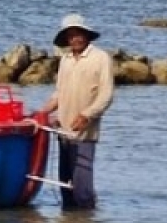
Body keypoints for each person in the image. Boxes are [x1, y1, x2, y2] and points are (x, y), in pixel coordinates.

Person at [41, 14, 115, 210]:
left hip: (85, 132)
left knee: (82, 188)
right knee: (65, 186)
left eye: (78, 34)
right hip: (63, 131)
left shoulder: (100, 58)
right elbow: (59, 93)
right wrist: (42, 112)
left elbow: (106, 95)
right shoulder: (65, 60)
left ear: (86, 35)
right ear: (66, 39)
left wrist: (87, 115)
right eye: (71, 36)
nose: (75, 39)